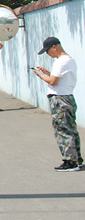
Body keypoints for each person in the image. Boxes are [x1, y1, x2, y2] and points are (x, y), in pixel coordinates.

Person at [32, 37, 82, 172]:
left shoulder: (61, 61)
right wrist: (47, 73)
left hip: (60, 99)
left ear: (55, 47)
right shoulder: (69, 60)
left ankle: (70, 161)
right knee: (71, 129)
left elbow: (53, 82)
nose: (48, 54)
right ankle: (77, 159)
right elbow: (59, 79)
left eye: (48, 51)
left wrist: (40, 75)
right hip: (68, 97)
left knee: (62, 130)